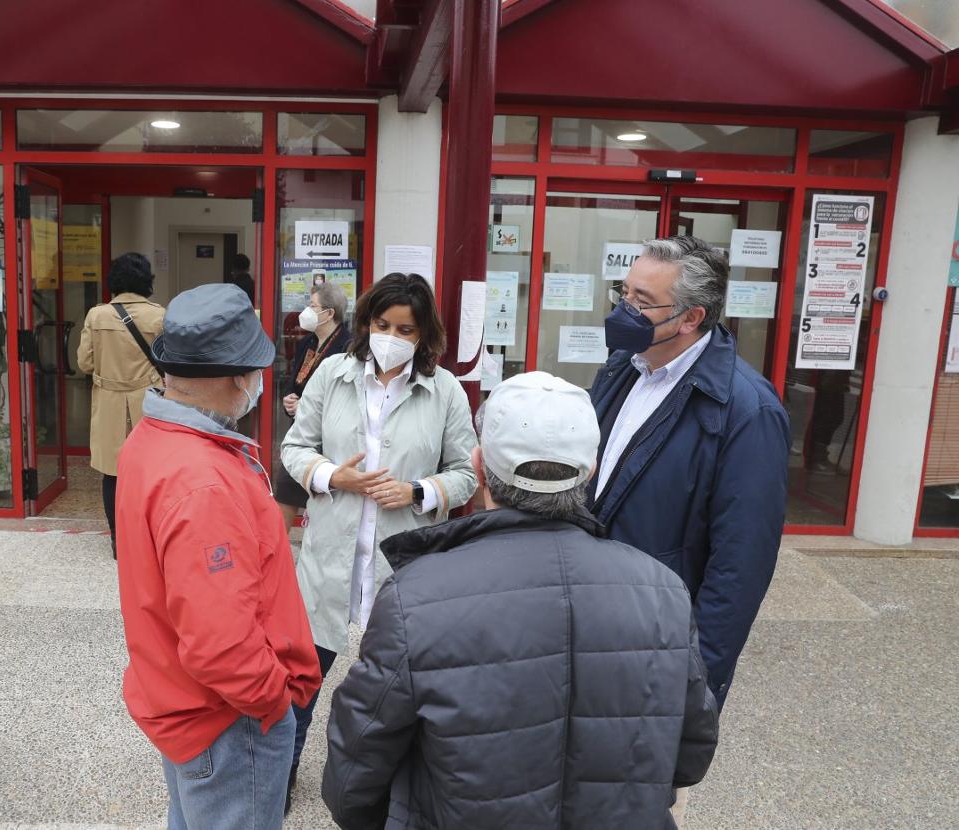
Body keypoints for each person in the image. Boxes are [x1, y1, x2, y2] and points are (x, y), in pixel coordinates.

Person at [322, 371, 720, 829]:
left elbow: (356, 768)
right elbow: (691, 752)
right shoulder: (662, 590)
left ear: (477, 466)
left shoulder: (416, 597)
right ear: (589, 471)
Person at [115, 283, 321, 830]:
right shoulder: (202, 479)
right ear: (240, 376)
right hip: (228, 718)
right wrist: (273, 700)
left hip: (184, 700)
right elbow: (218, 642)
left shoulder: (152, 438)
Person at [280, 272, 477, 808]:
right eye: (383, 323)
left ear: (424, 333)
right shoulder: (333, 376)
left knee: (398, 691)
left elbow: (466, 471)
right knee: (301, 681)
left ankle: (389, 790)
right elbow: (295, 448)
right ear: (366, 323)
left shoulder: (445, 390)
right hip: (329, 559)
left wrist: (419, 490)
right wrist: (329, 476)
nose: (393, 336)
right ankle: (283, 773)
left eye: (407, 329)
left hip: (403, 568)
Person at [590, 234, 790, 711]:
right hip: (595, 622)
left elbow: (739, 567)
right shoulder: (622, 367)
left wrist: (695, 684)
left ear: (691, 318)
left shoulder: (748, 411)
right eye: (624, 292)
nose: (625, 309)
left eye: (643, 301)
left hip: (657, 647)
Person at [76, 252, 164, 556]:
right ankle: (148, 538)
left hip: (109, 401)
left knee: (112, 473)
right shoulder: (159, 316)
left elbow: (84, 362)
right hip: (150, 402)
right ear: (146, 281)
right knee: (150, 472)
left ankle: (118, 539)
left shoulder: (96, 315)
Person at [275, 281, 352, 528]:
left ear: (329, 313)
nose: (306, 312)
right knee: (285, 487)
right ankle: (277, 552)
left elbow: (345, 396)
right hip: (301, 431)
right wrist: (288, 398)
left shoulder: (348, 347)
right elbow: (293, 380)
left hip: (329, 437)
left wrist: (307, 407)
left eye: (312, 306)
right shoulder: (308, 343)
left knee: (323, 498)